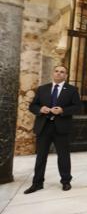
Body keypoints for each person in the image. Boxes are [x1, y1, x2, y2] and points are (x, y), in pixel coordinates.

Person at [23, 65, 82, 194]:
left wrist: (63, 110)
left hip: (61, 128)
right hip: (44, 127)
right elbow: (33, 106)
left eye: (62, 72)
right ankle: (37, 183)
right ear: (53, 73)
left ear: (66, 75)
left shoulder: (72, 90)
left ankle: (66, 181)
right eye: (56, 71)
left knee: (63, 156)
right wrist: (40, 109)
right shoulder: (42, 89)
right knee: (41, 157)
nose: (59, 73)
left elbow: (78, 107)